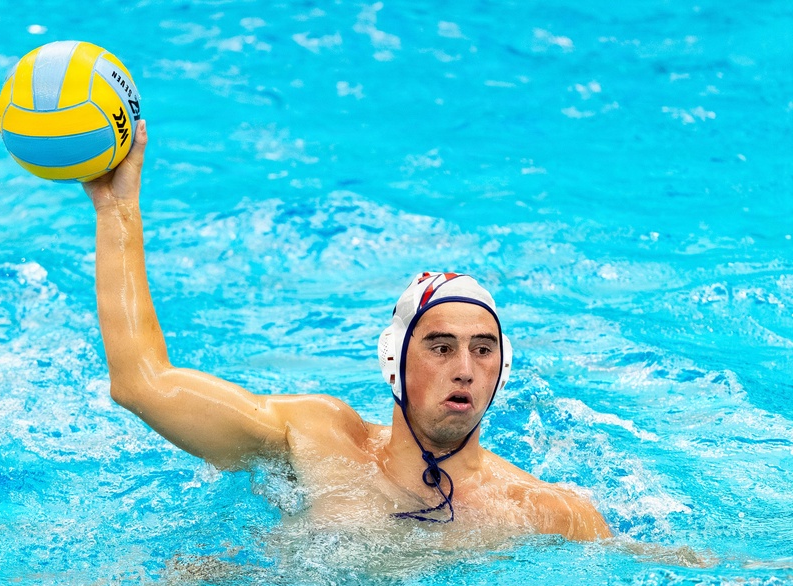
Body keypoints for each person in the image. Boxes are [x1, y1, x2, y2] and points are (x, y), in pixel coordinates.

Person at [84, 120, 612, 542]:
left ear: (504, 368)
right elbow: (141, 383)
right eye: (440, 346)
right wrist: (117, 209)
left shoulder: (545, 512)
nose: (465, 369)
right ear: (394, 361)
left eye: (483, 349)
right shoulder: (318, 438)